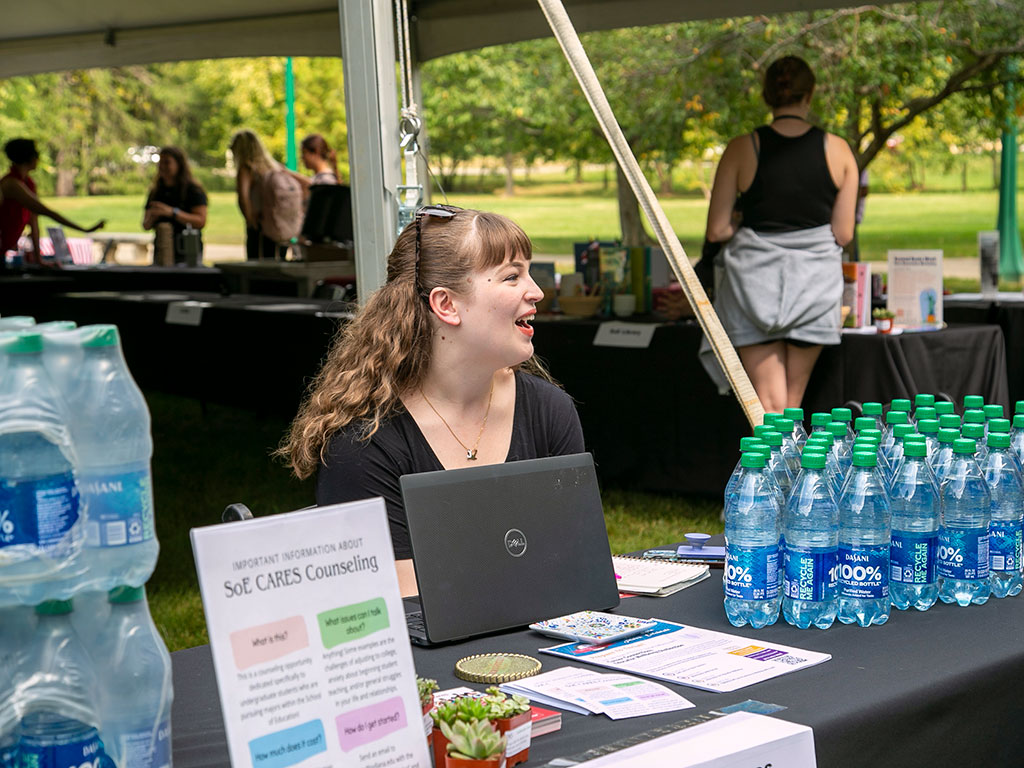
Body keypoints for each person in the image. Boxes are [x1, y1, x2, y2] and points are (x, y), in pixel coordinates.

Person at [279, 205, 584, 595]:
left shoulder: (549, 412)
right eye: (512, 277)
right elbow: (405, 611)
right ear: (446, 305)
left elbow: (576, 568)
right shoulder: (365, 444)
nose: (537, 291)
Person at [699, 55, 858, 413]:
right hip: (815, 285)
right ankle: (797, 468)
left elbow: (717, 229)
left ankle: (775, 469)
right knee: (792, 406)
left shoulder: (742, 148)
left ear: (767, 94)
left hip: (754, 287)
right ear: (810, 94)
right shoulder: (838, 149)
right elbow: (843, 233)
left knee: (767, 408)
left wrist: (743, 220)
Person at [0, 138, 105, 270]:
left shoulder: (27, 183)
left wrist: (39, 260)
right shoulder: (11, 184)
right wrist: (84, 229)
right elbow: (46, 211)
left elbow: (34, 222)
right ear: (31, 157)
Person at [228, 129, 290, 260]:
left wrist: (250, 221)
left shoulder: (247, 168)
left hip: (260, 224)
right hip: (278, 223)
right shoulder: (273, 166)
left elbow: (243, 198)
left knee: (258, 267)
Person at [142, 146, 208, 264]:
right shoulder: (156, 191)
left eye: (167, 162)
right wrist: (152, 216)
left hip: (187, 251)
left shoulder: (193, 190)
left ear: (179, 165)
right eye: (160, 162)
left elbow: (200, 221)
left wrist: (172, 212)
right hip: (162, 251)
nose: (162, 167)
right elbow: (146, 225)